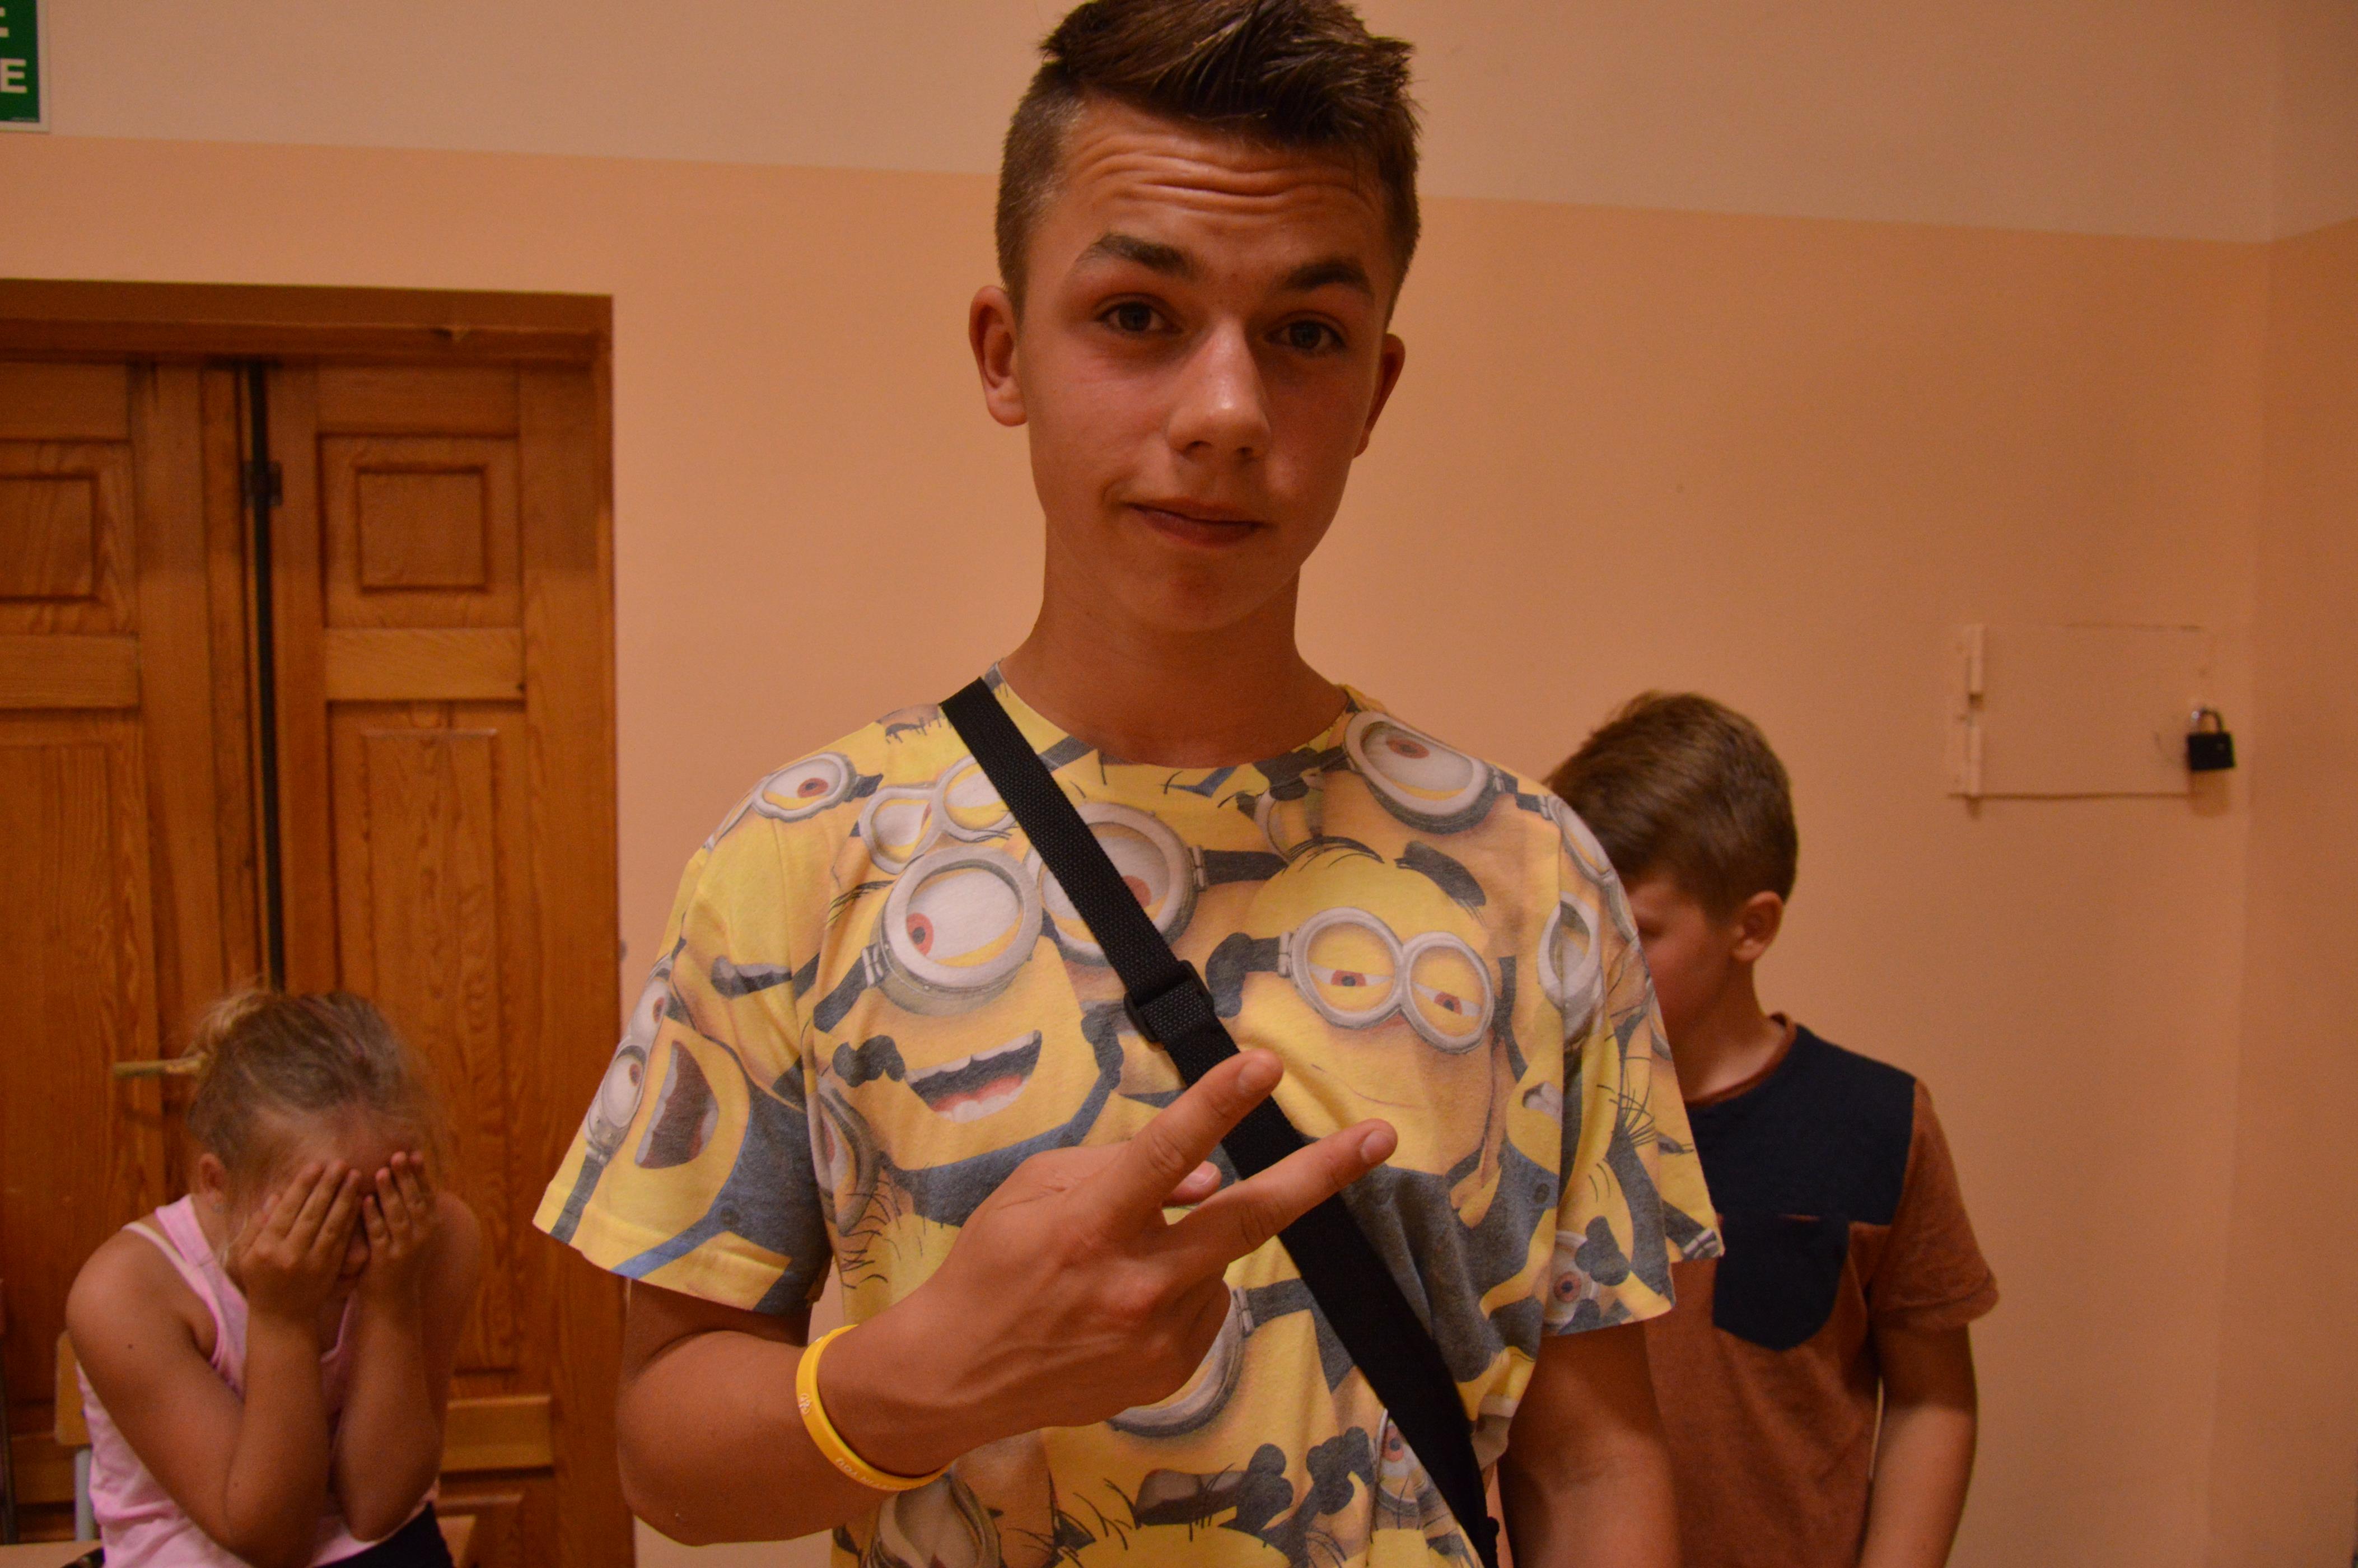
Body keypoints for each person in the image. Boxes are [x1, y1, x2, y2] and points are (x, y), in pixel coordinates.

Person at [538, 3, 1716, 1564]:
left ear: (1374, 388)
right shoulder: (804, 857)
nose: (1225, 413)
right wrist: (923, 1380)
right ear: (1003, 352)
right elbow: (664, 1458)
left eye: (1304, 335)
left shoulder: (1532, 880)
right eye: (1138, 315)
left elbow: (1593, 1461)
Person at [1547, 694, 1998, 1568]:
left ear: (1749, 928)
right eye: (1570, 924)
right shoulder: (1534, 1119)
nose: (1587, 963)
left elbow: (1930, 1401)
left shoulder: (1874, 1122)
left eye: (1633, 932)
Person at [67, 991, 483, 1568]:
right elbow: (272, 1540)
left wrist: (392, 1300)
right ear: (217, 1183)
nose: (356, 1249)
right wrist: (282, 1318)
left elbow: (379, 1507)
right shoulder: (124, 1293)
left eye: (379, 1204)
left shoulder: (430, 1239)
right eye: (320, 1210)